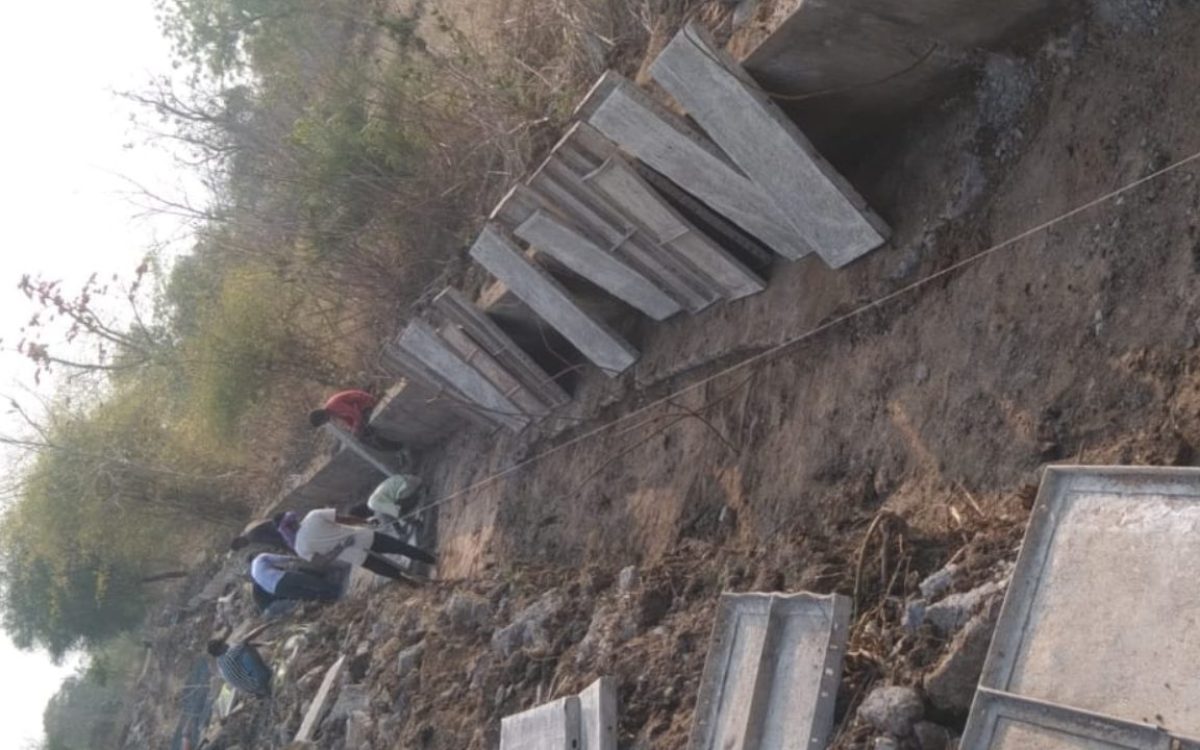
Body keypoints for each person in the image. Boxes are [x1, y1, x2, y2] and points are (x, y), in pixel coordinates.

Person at [293, 508, 435, 582]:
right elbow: (344, 519)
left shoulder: (299, 548)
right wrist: (365, 522)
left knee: (387, 570)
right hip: (364, 537)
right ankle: (432, 560)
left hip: (355, 556)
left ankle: (414, 583)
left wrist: (339, 548)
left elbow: (321, 562)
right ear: (295, 519)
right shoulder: (312, 516)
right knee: (400, 548)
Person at [308, 389, 404, 452]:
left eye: (323, 422)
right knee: (361, 437)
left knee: (366, 433)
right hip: (360, 408)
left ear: (323, 417)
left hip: (366, 403)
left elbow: (355, 414)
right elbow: (349, 419)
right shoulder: (332, 412)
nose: (326, 423)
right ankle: (396, 449)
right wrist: (353, 430)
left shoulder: (334, 406)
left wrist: (355, 428)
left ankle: (400, 448)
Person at [208, 622, 274, 697]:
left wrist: (265, 644)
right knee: (245, 649)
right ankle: (266, 676)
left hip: (253, 690)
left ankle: (262, 689)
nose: (226, 644)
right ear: (219, 649)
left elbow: (244, 645)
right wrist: (268, 625)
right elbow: (249, 638)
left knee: (243, 648)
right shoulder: (230, 653)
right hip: (260, 682)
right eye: (223, 643)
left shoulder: (220, 662)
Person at [249, 552, 344, 602]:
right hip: (281, 578)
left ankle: (331, 597)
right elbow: (279, 558)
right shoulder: (260, 557)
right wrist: (293, 558)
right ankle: (335, 588)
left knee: (304, 594)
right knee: (309, 581)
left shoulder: (253, 573)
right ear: (255, 555)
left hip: (275, 590)